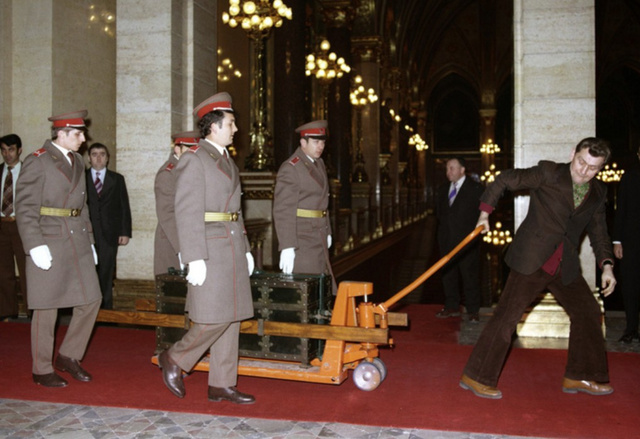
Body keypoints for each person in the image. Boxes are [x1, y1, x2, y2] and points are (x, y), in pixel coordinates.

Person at [460, 137, 616, 399]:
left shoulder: (598, 193)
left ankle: (580, 375)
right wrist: (484, 212)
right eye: (581, 162)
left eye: (593, 168)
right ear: (573, 154)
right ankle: (477, 376)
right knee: (507, 318)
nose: (584, 171)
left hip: (564, 264)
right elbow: (505, 179)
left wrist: (607, 265)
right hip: (531, 259)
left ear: (600, 169)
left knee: (588, 311)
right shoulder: (549, 173)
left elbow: (599, 232)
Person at [157, 92, 256, 404]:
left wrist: (247, 247)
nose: (236, 128)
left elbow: (236, 210)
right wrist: (193, 255)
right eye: (231, 123)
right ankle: (175, 358)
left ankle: (222, 383)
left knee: (233, 315)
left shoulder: (226, 160)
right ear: (213, 126)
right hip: (209, 247)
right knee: (213, 317)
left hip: (232, 246)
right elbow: (186, 210)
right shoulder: (194, 159)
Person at [16, 110, 102, 388]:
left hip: (77, 240)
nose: (83, 138)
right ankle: (41, 369)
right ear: (61, 133)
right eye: (78, 133)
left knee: (91, 299)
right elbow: (26, 207)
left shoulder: (76, 160)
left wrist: (89, 239)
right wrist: (34, 244)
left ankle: (68, 355)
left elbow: (83, 204)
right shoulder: (38, 161)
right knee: (46, 307)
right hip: (49, 240)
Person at [272, 120, 336, 293]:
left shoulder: (319, 164)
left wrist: (327, 230)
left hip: (319, 234)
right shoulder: (291, 168)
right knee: (306, 289)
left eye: (322, 142)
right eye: (316, 142)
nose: (320, 146)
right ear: (303, 142)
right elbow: (283, 210)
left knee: (321, 287)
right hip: (302, 238)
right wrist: (287, 246)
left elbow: (323, 202)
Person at [435, 157, 484, 321]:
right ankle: (451, 307)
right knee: (448, 275)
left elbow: (481, 214)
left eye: (452, 168)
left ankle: (472, 310)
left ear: (462, 170)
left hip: (467, 242)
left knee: (469, 276)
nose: (448, 172)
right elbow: (439, 214)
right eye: (447, 168)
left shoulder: (476, 189)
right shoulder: (442, 189)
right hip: (446, 240)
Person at [85, 143, 132, 309]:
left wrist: (125, 232)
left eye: (102, 154)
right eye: (94, 154)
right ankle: (88, 309)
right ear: (89, 158)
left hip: (110, 233)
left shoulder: (117, 179)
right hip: (86, 234)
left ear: (107, 158)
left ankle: (105, 311)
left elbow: (124, 206)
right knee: (88, 272)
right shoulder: (81, 178)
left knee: (106, 271)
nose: (98, 157)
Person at [153, 130, 200, 276]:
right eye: (189, 150)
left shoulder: (194, 169)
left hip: (192, 236)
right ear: (177, 149)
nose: (194, 155)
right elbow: (167, 214)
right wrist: (181, 249)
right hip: (172, 240)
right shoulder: (168, 174)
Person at [612, 145, 640, 343]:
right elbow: (621, 209)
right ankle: (631, 329)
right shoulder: (630, 177)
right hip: (631, 241)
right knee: (630, 286)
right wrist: (617, 240)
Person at [1, 134, 28, 320]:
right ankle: (7, 312)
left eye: (11, 149)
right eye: (3, 150)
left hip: (22, 226)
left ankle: (32, 311)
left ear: (19, 150)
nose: (7, 154)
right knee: (4, 273)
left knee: (27, 271)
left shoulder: (29, 171)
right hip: (2, 226)